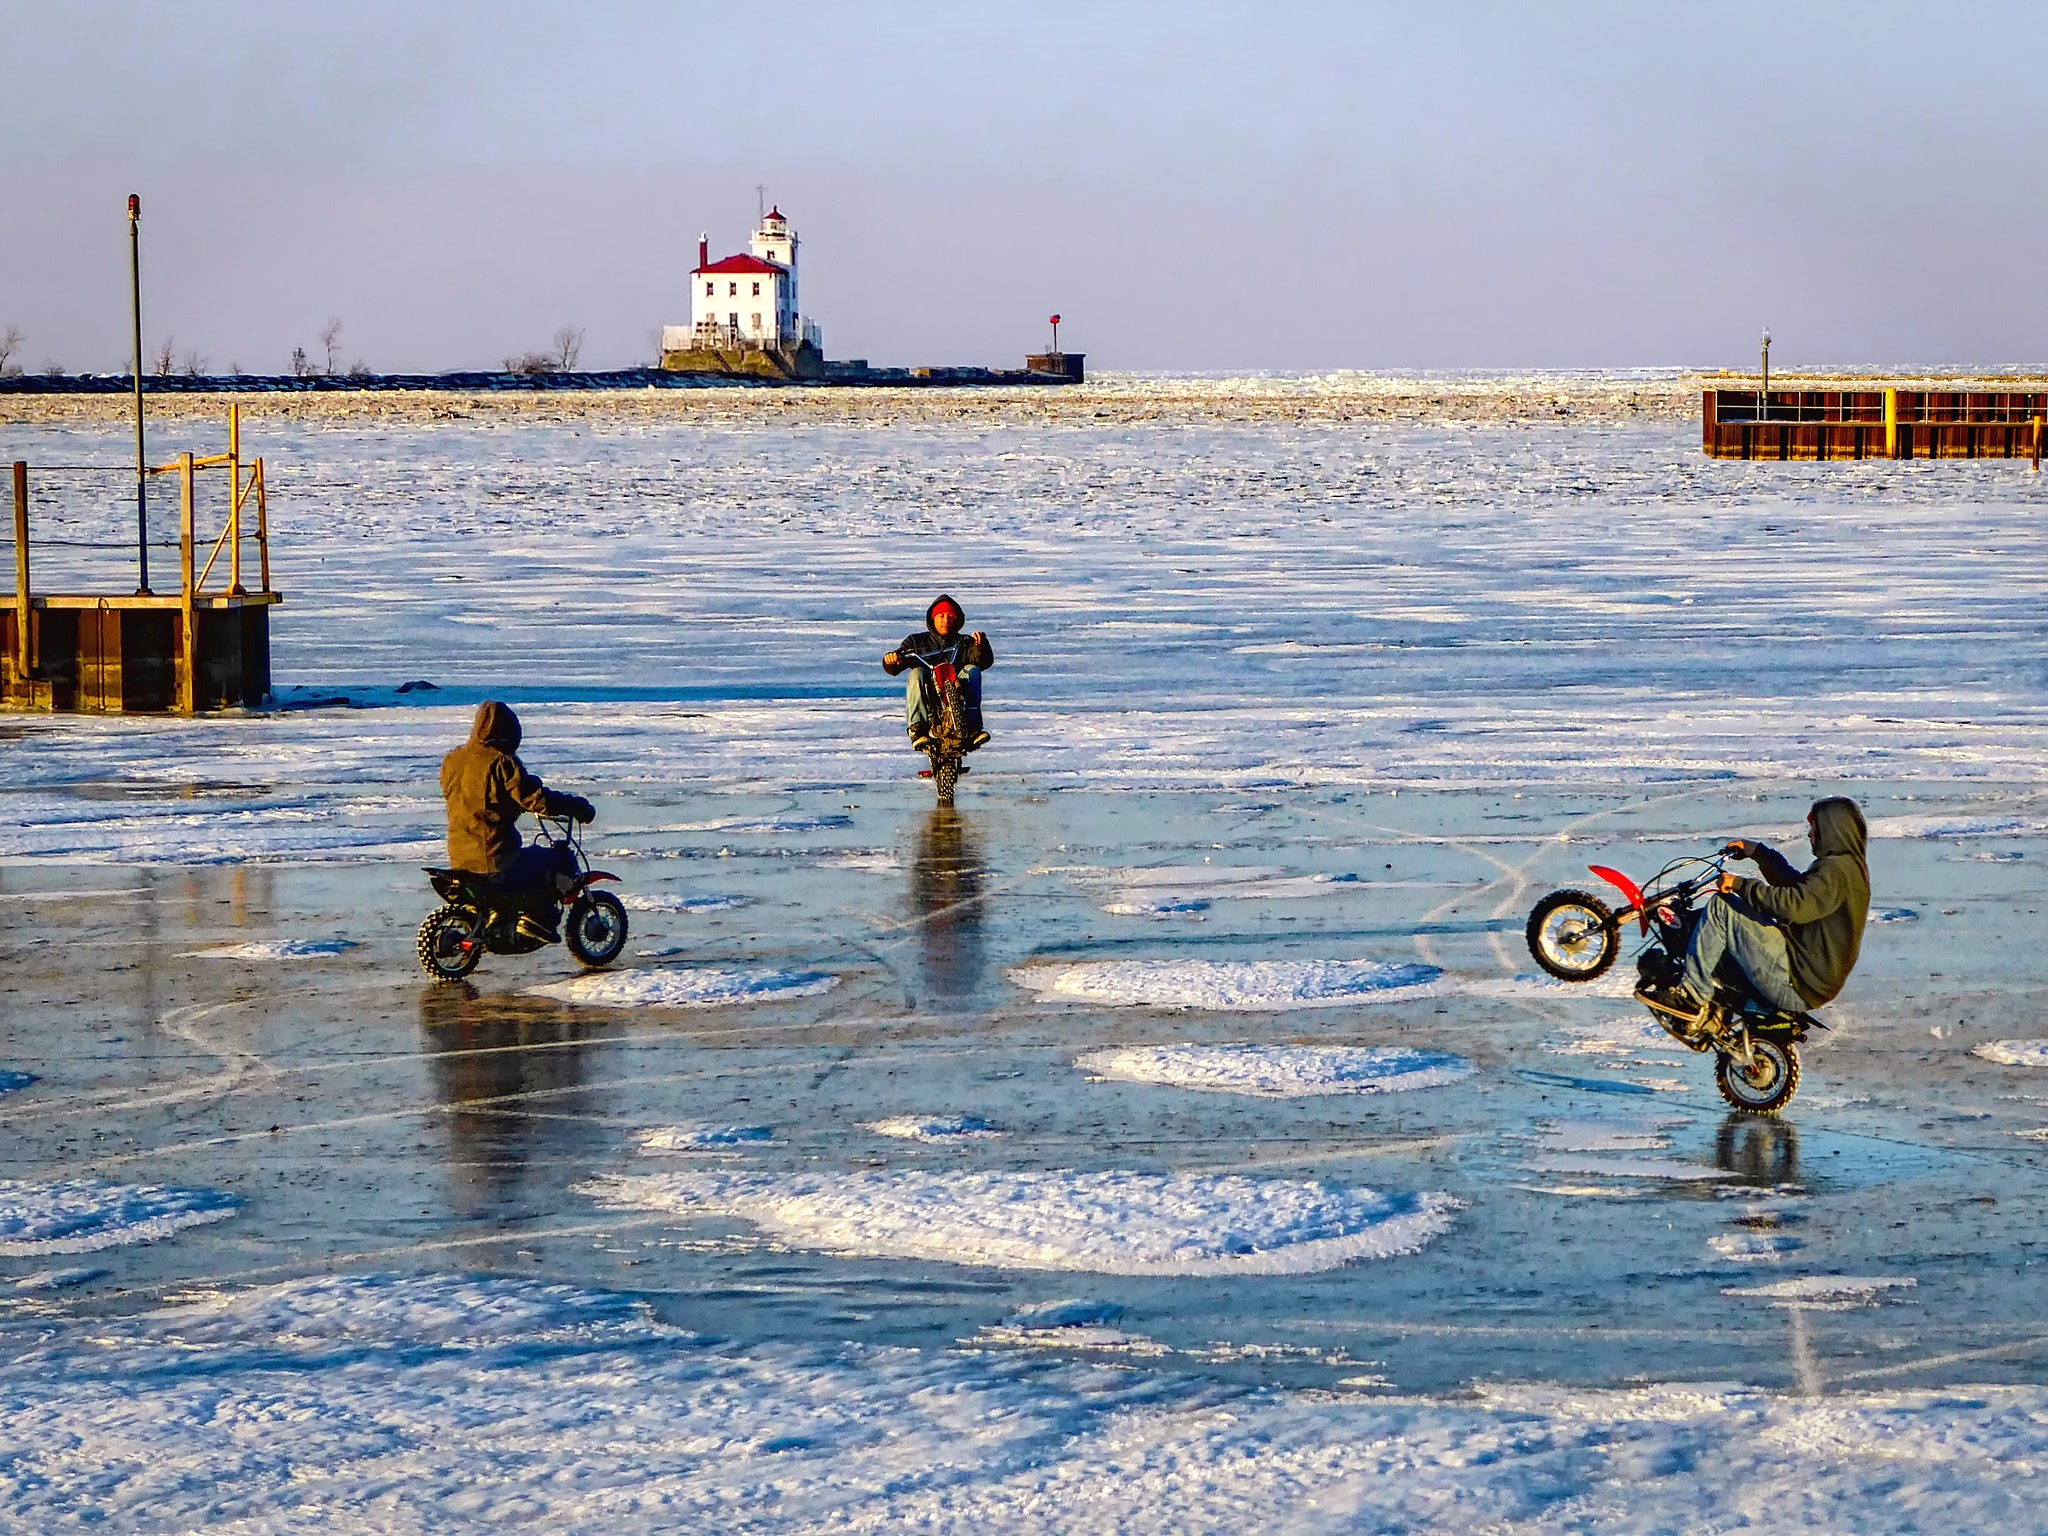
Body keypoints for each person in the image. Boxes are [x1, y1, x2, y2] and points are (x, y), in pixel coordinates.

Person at [1646, 796, 1869, 1024]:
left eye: (1815, 829)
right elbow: (1797, 888)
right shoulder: (1847, 867)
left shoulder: (1835, 870)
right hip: (1808, 976)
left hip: (1798, 982)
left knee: (1721, 907)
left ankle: (1691, 996)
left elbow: (1792, 906)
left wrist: (1740, 885)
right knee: (1745, 914)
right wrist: (1758, 854)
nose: (1810, 835)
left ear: (1832, 829)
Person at [439, 700, 595, 942]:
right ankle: (538, 919)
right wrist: (577, 807)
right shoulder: (502, 762)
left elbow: (474, 800)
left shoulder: (452, 760)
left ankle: (504, 916)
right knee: (553, 860)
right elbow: (536, 799)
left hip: (460, 857)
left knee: (529, 860)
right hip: (495, 858)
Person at [882, 594, 994, 754]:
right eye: (941, 616)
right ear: (933, 618)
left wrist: (980, 645)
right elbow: (896, 664)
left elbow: (982, 661)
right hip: (927, 689)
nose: (946, 621)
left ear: (957, 620)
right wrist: (892, 659)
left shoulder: (964, 642)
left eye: (950, 616)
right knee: (916, 673)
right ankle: (917, 727)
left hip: (957, 687)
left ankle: (973, 725)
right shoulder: (916, 641)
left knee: (973, 670)